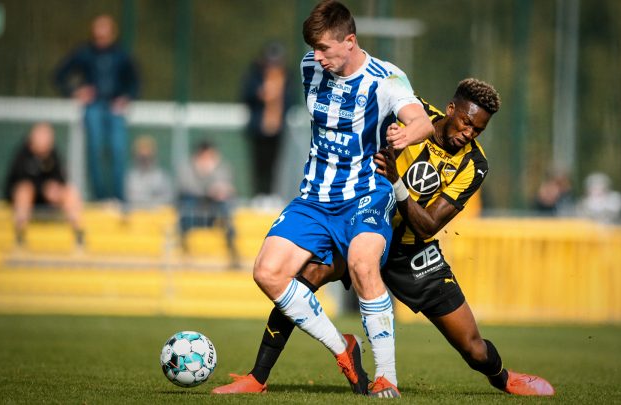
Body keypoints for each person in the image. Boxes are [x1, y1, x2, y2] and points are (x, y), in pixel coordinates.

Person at [214, 80, 555, 397]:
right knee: (301, 284)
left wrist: (396, 183)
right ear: (450, 109)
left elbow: (427, 226)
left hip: (409, 251)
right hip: (359, 224)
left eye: (478, 129)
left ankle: (504, 378)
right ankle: (257, 377)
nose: (468, 133)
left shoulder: (473, 165)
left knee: (472, 346)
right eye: (466, 122)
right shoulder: (413, 113)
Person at [250, 0, 434, 398]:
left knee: (362, 262)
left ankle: (386, 375)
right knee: (267, 273)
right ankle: (343, 348)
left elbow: (421, 120)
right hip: (314, 198)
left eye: (324, 49)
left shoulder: (386, 79)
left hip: (366, 193)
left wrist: (408, 133)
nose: (316, 57)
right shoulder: (308, 66)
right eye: (313, 49)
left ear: (349, 41)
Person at [54, 14, 139, 202]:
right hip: (93, 106)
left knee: (118, 151)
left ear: (113, 33)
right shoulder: (84, 53)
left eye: (105, 31)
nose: (101, 35)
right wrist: (75, 91)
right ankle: (99, 197)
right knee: (95, 150)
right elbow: (59, 75)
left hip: (115, 107)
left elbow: (135, 82)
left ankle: (118, 198)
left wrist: (126, 98)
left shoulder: (121, 55)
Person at [3, 122, 84, 248]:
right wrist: (43, 189)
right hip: (27, 200)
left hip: (49, 201)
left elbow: (62, 179)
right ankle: (19, 235)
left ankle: (78, 233)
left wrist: (55, 190)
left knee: (70, 191)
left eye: (47, 136)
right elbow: (16, 182)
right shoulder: (22, 155)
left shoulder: (54, 155)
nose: (45, 140)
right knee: (24, 191)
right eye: (41, 135)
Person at [241, 41, 293, 201]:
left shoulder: (286, 77)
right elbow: (245, 96)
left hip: (277, 129)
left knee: (274, 164)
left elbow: (290, 100)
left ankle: (270, 195)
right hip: (258, 128)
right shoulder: (254, 76)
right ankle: (257, 195)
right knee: (258, 164)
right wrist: (260, 94)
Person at [177, 141, 239, 268]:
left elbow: (227, 188)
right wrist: (207, 187)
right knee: (186, 206)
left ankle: (232, 250)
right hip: (193, 209)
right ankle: (184, 251)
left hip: (214, 209)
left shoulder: (221, 167)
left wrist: (215, 182)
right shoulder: (187, 167)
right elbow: (185, 187)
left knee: (226, 209)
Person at [124, 135, 173, 210]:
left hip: (157, 215)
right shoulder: (131, 176)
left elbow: (168, 198)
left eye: (147, 156)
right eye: (142, 157)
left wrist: (150, 203)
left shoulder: (161, 176)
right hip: (137, 215)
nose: (145, 160)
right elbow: (131, 198)